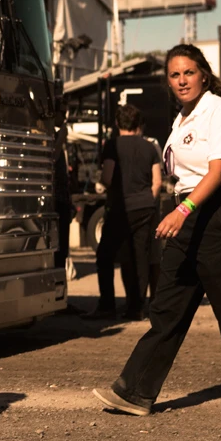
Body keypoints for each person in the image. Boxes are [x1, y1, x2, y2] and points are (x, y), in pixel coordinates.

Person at [93, 43, 221, 423]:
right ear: (168, 82)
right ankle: (135, 392)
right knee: (167, 309)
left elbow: (217, 171)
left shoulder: (220, 110)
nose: (182, 80)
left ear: (203, 74)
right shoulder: (182, 118)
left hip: (217, 216)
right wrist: (180, 209)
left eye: (188, 72)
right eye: (175, 75)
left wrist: (183, 210)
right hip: (188, 217)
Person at [86, 104, 161, 320]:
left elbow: (108, 177)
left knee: (105, 256)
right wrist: (147, 200)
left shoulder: (112, 145)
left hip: (121, 208)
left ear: (117, 123)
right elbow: (157, 182)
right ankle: (136, 308)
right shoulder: (150, 147)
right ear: (138, 124)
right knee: (140, 257)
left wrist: (102, 184)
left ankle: (107, 305)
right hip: (145, 208)